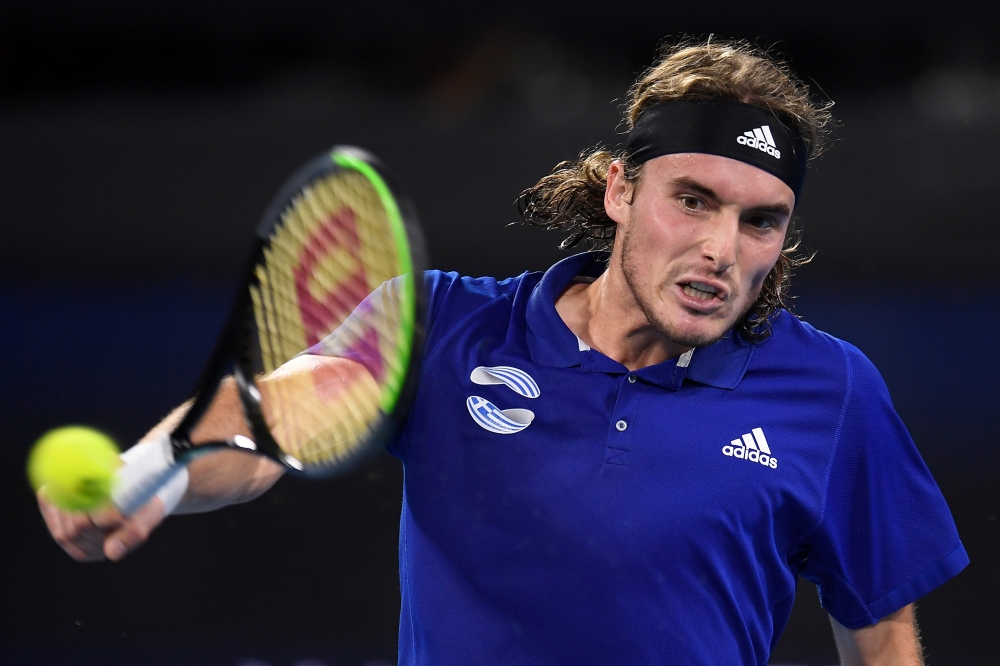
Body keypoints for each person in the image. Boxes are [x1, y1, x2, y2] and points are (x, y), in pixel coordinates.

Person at [39, 38, 967, 665]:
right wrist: (150, 471)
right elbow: (271, 423)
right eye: (693, 200)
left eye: (760, 221)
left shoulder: (831, 389)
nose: (724, 249)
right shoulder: (441, 325)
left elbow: (880, 627)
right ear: (620, 191)